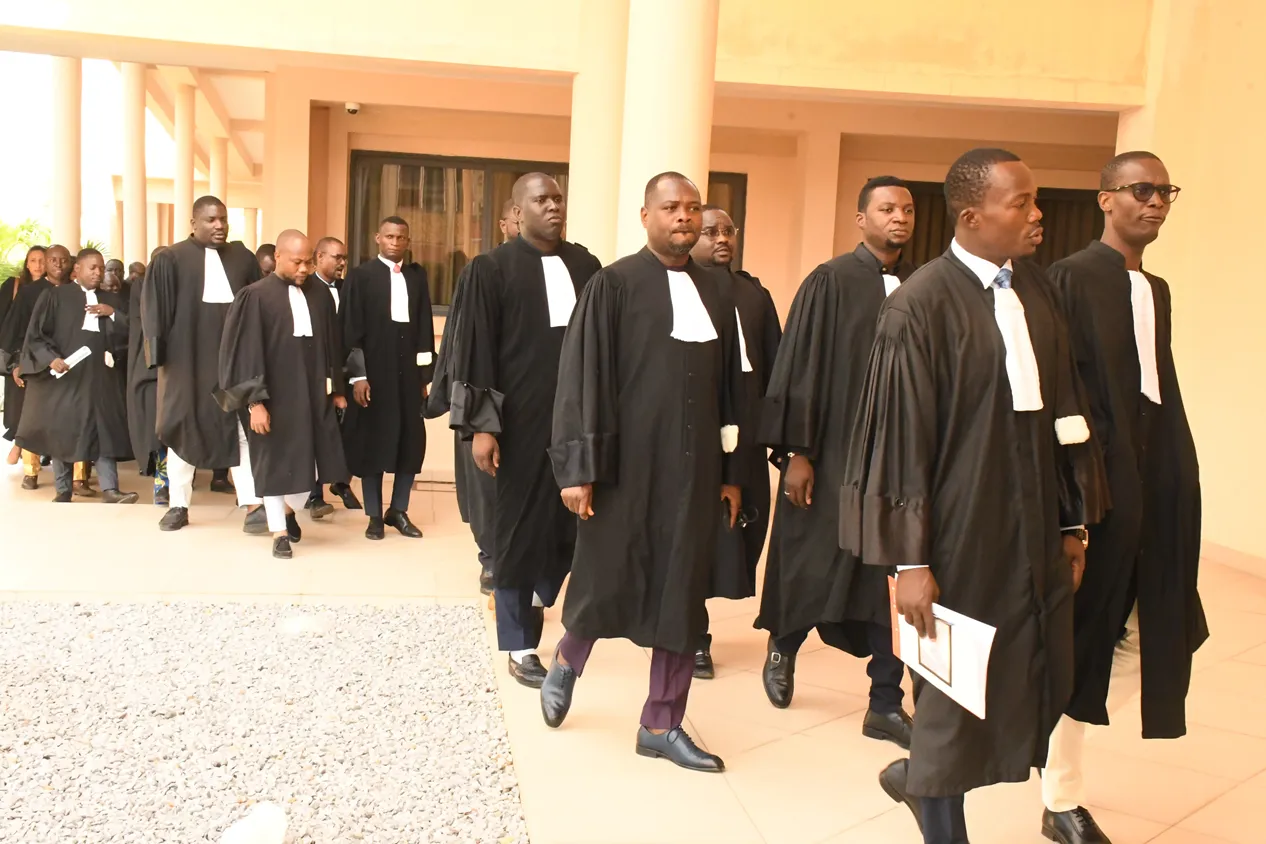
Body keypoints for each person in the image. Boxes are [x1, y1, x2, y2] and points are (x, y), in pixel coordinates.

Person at [843, 148, 1108, 844]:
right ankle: (940, 819)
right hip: (954, 536)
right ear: (971, 217)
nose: (1037, 214)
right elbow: (901, 442)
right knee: (948, 697)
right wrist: (910, 562)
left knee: (1019, 673)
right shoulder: (919, 305)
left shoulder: (1037, 292)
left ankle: (920, 780)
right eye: (1021, 203)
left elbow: (1065, 414)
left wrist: (1071, 523)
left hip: (1030, 530)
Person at [542, 172, 743, 773]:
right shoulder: (613, 285)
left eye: (693, 208)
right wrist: (577, 468)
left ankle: (661, 722)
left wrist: (731, 471)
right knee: (607, 575)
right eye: (671, 207)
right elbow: (581, 378)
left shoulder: (718, 290)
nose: (684, 217)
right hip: (625, 468)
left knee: (682, 594)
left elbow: (732, 388)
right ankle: (568, 659)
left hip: (696, 471)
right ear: (646, 216)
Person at [1039, 152, 1206, 844]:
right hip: (1097, 486)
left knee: (1160, 623)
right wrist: (1072, 505)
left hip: (1151, 480)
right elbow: (1062, 395)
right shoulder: (1069, 277)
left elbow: (1153, 392)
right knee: (1082, 633)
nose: (1155, 201)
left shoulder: (1156, 289)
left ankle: (1050, 743)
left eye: (1165, 191)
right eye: (1141, 189)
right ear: (1106, 199)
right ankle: (1059, 794)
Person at [754, 176, 917, 747]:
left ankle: (885, 702)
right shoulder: (830, 280)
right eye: (886, 208)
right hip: (830, 455)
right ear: (861, 219)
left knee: (888, 578)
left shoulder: (924, 286)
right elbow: (799, 367)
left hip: (895, 464)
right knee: (809, 560)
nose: (899, 217)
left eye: (907, 209)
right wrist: (797, 452)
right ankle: (783, 646)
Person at [448, 173, 601, 688]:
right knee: (514, 531)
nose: (553, 206)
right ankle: (518, 644)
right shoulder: (491, 269)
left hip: (575, 419)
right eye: (541, 200)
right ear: (517, 211)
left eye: (558, 198)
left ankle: (537, 597)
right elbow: (476, 349)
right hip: (516, 422)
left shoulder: (586, 266)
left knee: (568, 528)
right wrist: (482, 427)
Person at [688, 205, 781, 679]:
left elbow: (777, 365)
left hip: (748, 430)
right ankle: (694, 635)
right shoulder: (684, 289)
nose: (722, 239)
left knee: (744, 527)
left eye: (728, 231)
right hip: (700, 430)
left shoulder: (754, 293)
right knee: (698, 534)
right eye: (711, 232)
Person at [217, 230, 350, 559]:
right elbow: (245, 355)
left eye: (308, 262)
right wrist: (255, 403)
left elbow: (332, 346)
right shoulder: (254, 296)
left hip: (313, 395)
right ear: (277, 257)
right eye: (296, 262)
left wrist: (336, 390)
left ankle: (290, 512)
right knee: (274, 465)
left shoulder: (320, 295)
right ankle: (279, 532)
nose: (304, 269)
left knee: (312, 466)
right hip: (273, 397)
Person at [142, 195, 263, 531]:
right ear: (193, 223)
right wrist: (159, 359)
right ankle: (178, 505)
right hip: (186, 363)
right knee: (183, 431)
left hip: (232, 361)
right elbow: (154, 312)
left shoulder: (242, 258)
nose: (219, 225)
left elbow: (256, 308)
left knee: (239, 429)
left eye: (223, 219)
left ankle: (253, 504)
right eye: (211, 220)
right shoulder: (170, 259)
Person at [430, 199, 519, 595]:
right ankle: (491, 560)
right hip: (488, 396)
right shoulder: (484, 270)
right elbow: (464, 342)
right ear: (504, 223)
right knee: (488, 484)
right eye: (518, 217)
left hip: (535, 402)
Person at [14, 248, 137, 504]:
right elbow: (35, 335)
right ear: (77, 269)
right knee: (63, 432)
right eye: (92, 268)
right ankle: (63, 490)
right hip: (67, 377)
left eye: (101, 268)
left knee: (104, 431)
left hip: (100, 378)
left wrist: (112, 313)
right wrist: (51, 359)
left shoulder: (110, 300)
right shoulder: (55, 296)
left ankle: (110, 490)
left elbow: (132, 333)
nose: (98, 273)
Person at [340, 216, 435, 540]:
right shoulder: (360, 276)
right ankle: (374, 516)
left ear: (408, 241)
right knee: (373, 445)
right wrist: (358, 376)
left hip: (408, 378)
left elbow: (424, 328)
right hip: (373, 379)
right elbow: (350, 330)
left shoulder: (417, 276)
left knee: (410, 443)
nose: (395, 242)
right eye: (389, 236)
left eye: (401, 237)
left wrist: (424, 377)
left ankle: (398, 510)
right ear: (377, 238)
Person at [2, 244, 72, 490]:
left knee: (68, 418)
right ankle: (30, 472)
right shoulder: (29, 293)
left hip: (68, 363)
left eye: (62, 260)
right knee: (32, 416)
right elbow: (16, 330)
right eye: (51, 260)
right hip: (35, 362)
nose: (56, 265)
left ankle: (76, 476)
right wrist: (17, 362)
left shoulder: (74, 291)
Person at [304, 235, 361, 517]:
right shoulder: (306, 288)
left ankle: (341, 482)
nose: (342, 263)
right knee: (318, 432)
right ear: (319, 257)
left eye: (344, 258)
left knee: (349, 431)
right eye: (337, 257)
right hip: (318, 372)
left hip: (347, 371)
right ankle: (315, 495)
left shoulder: (346, 288)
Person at [128, 246, 170, 505]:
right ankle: (162, 484)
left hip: (181, 371)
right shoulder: (141, 290)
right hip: (150, 373)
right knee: (158, 433)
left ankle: (174, 482)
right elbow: (139, 332)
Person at [1, 245, 46, 474]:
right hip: (18, 350)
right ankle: (20, 445)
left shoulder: (55, 290)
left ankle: (23, 448)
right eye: (33, 260)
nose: (38, 265)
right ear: (27, 264)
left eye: (42, 260)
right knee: (20, 404)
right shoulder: (15, 286)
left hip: (43, 353)